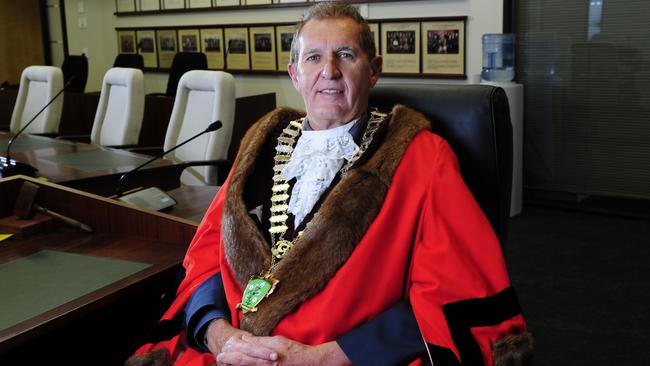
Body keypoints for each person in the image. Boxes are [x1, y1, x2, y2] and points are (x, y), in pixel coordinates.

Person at [127, 2, 532, 365]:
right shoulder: (260, 144)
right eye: (314, 57)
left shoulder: (422, 156)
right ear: (295, 74)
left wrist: (324, 358)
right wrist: (219, 336)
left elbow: (452, 290)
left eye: (345, 55)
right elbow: (207, 259)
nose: (329, 72)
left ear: (374, 70)